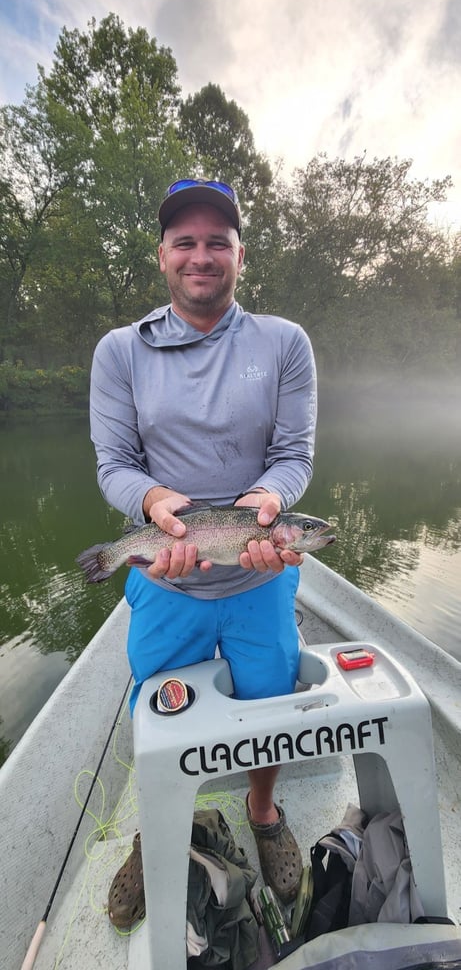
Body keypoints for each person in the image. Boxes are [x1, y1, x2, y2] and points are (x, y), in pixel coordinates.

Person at [89, 178, 318, 925]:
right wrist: (152, 508)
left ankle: (261, 814)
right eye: (184, 241)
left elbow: (292, 455)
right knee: (159, 715)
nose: (200, 255)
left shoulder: (284, 343)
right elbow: (115, 464)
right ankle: (164, 826)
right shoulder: (120, 350)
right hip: (166, 572)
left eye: (216, 242)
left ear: (238, 255)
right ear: (161, 256)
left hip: (256, 582)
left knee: (269, 703)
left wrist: (272, 504)